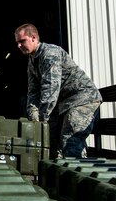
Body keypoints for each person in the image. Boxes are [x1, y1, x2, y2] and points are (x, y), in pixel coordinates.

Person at [14, 23, 102, 159]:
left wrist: (43, 119)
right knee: (52, 140)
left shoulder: (50, 53)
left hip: (83, 99)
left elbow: (50, 88)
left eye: (22, 41)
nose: (18, 46)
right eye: (17, 43)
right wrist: (34, 118)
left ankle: (76, 177)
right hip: (64, 104)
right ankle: (58, 175)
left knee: (70, 141)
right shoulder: (32, 62)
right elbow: (33, 92)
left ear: (33, 37)